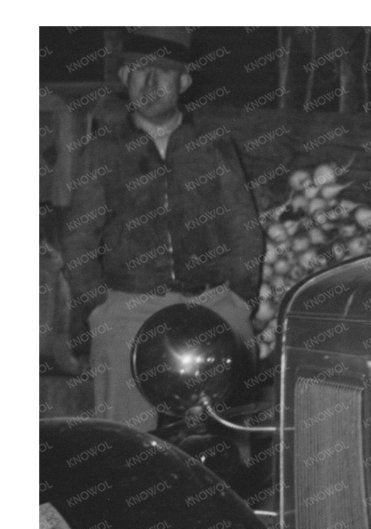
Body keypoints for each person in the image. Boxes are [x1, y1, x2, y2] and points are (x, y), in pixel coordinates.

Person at [64, 31, 262, 431]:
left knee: (226, 416)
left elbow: (244, 227)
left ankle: (222, 479)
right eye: (140, 72)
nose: (151, 83)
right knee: (124, 429)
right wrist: (98, 306)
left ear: (184, 83)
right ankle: (127, 478)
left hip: (212, 298)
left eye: (164, 74)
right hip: (129, 304)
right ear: (124, 77)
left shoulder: (213, 144)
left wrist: (241, 299)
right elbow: (80, 236)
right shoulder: (102, 150)